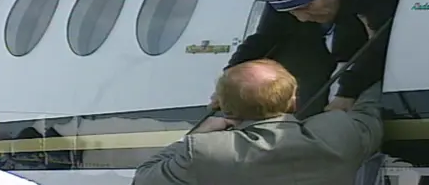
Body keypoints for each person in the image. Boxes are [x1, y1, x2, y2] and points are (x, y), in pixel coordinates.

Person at [132, 59, 383, 185]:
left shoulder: (203, 151)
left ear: (227, 109)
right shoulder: (340, 133)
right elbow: (370, 109)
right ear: (294, 101)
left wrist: (195, 135)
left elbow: (144, 178)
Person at [222, 0, 395, 117]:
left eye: (307, 6)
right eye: (293, 12)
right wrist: (229, 83)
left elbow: (381, 41)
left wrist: (348, 93)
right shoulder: (286, 1)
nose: (303, 18)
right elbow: (263, 39)